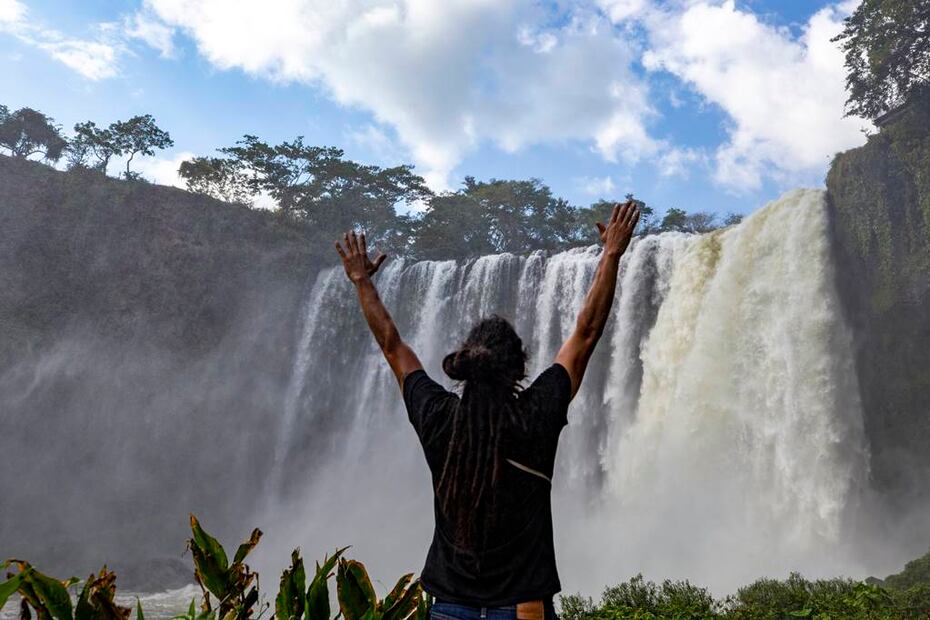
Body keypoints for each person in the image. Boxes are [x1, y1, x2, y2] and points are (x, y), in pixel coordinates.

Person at [334, 200, 640, 620]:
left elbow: (392, 346)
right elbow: (586, 333)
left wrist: (360, 281)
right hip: (524, 609)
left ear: (467, 363)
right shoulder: (539, 412)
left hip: (450, 608)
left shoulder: (438, 417)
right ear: (518, 368)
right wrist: (611, 254)